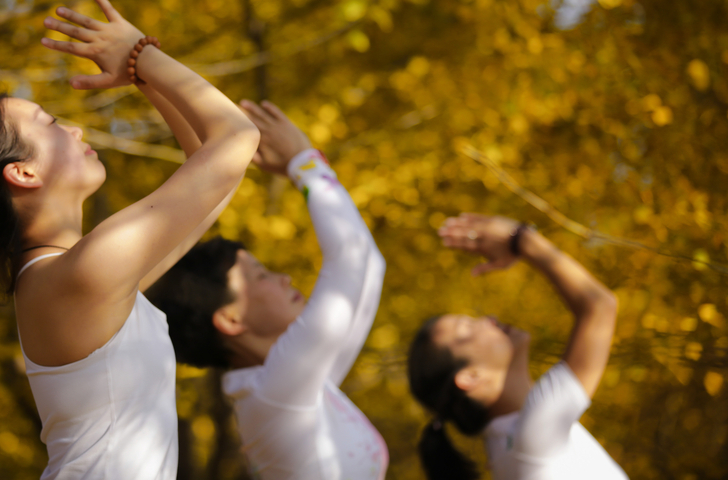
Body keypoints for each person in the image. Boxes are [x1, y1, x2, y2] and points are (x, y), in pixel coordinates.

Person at [0, 0, 260, 479]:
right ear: (23, 173)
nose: (77, 130)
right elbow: (237, 138)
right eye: (51, 124)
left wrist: (140, 76)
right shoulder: (85, 273)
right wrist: (141, 54)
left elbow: (215, 179)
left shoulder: (80, 275)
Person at [146, 101, 388, 480]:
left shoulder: (293, 386)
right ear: (230, 318)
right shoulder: (276, 395)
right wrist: (303, 162)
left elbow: (368, 267)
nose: (284, 279)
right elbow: (353, 262)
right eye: (260, 276)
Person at [407, 213, 627, 480]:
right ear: (469, 377)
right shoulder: (533, 432)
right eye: (466, 330)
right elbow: (600, 307)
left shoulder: (511, 444)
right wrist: (520, 239)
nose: (488, 320)